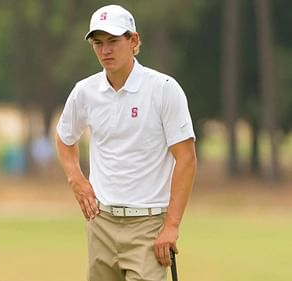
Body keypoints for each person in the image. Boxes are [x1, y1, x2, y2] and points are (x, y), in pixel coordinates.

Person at [55, 4, 197, 281]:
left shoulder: (164, 88)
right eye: (98, 43)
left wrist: (171, 226)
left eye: (113, 41)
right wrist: (76, 178)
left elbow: (187, 159)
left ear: (133, 40)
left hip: (148, 224)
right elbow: (64, 137)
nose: (105, 50)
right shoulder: (85, 92)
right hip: (101, 223)